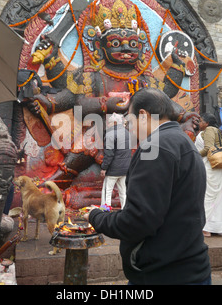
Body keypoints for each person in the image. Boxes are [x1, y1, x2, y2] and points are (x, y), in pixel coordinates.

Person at [84, 87, 211, 285]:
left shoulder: (155, 147)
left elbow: (137, 221)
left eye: (130, 122)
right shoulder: (184, 143)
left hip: (162, 274)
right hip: (189, 266)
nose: (130, 129)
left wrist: (96, 217)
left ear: (143, 116)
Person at [195, 113, 222, 237]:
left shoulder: (208, 131)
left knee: (207, 197)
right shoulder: (221, 133)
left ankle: (206, 227)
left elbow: (208, 149)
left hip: (210, 167)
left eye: (201, 121)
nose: (199, 123)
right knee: (218, 197)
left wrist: (193, 156)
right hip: (219, 167)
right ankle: (216, 226)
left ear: (207, 123)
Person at [100, 113, 131, 209]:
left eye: (109, 122)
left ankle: (105, 212)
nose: (108, 124)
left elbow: (109, 154)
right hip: (125, 169)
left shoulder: (110, 134)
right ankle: (125, 212)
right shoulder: (127, 133)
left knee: (107, 192)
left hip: (113, 170)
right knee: (123, 192)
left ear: (114, 122)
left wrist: (104, 168)